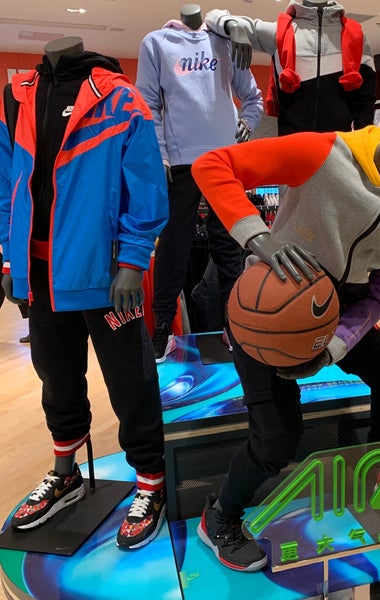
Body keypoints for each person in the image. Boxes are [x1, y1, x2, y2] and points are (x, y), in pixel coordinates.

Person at [191, 125, 380, 572]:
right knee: (277, 439)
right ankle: (220, 516)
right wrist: (257, 236)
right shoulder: (325, 152)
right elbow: (212, 165)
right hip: (269, 313)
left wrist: (334, 347)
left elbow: (379, 296)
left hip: (335, 313)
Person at [0, 36, 169, 550]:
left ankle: (151, 482)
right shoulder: (16, 96)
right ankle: (65, 473)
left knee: (130, 380)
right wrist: (9, 257)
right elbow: (6, 183)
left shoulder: (119, 97)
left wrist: (133, 260)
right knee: (55, 376)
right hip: (41, 273)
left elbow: (147, 185)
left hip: (105, 274)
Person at [136, 3, 264, 361]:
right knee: (173, 247)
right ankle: (162, 327)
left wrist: (248, 124)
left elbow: (254, 98)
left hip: (225, 161)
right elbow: (148, 103)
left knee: (230, 246)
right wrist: (160, 154)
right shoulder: (156, 43)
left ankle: (234, 326)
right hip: (180, 162)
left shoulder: (224, 40)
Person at [204, 0, 376, 136]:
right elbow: (212, 17)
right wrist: (233, 26)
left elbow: (365, 103)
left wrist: (363, 149)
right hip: (291, 149)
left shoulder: (356, 37)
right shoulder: (280, 32)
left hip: (339, 149)